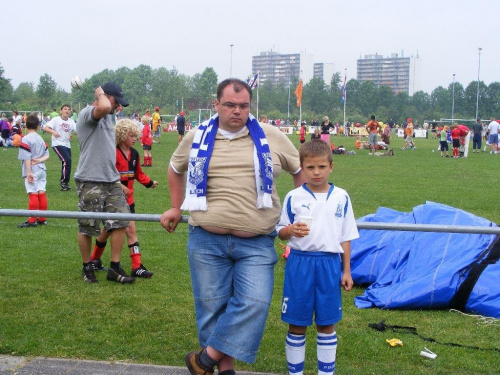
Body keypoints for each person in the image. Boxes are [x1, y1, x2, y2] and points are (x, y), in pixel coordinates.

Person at [160, 78, 306, 374]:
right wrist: (176, 207)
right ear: (217, 105)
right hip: (206, 239)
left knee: (254, 302)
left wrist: (297, 216)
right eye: (230, 105)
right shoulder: (197, 136)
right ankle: (225, 370)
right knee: (212, 308)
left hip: (257, 241)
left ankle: (203, 360)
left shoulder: (272, 136)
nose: (237, 111)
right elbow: (175, 169)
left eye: (243, 106)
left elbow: (300, 171)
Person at [276, 140, 359, 375]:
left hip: (329, 264)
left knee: (326, 322)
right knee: (297, 322)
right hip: (300, 263)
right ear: (302, 168)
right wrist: (290, 230)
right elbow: (281, 232)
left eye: (321, 167)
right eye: (310, 167)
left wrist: (347, 271)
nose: (316, 172)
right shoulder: (293, 196)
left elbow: (346, 236)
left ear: (331, 167)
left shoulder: (341, 197)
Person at [74, 82, 135, 284]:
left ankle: (114, 268)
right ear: (104, 96)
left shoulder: (109, 116)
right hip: (90, 178)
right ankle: (87, 266)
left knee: (120, 221)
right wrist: (100, 94)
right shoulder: (87, 114)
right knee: (87, 226)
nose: (118, 107)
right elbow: (105, 107)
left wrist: (117, 179)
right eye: (116, 101)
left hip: (111, 179)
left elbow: (108, 109)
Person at [90, 119, 158, 278]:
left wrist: (149, 183)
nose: (135, 139)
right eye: (131, 136)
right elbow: (106, 175)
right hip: (113, 200)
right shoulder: (112, 153)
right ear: (121, 136)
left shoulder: (134, 154)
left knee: (121, 230)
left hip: (129, 201)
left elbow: (138, 174)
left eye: (136, 136)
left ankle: (136, 266)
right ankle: (95, 259)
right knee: (110, 230)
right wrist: (120, 186)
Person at [17, 115, 50, 228]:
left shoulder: (26, 139)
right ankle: (42, 218)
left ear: (26, 126)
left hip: (33, 169)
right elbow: (47, 155)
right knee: (41, 192)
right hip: (42, 169)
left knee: (33, 193)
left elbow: (27, 157)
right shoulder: (41, 139)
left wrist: (29, 172)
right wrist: (39, 160)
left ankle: (32, 220)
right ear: (38, 126)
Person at [43, 104, 77, 191]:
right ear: (61, 111)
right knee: (67, 160)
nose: (67, 111)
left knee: (67, 162)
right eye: (65, 109)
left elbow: (76, 131)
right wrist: (53, 132)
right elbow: (45, 128)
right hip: (57, 143)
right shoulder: (56, 120)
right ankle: (64, 183)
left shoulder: (71, 121)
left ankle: (65, 183)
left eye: (69, 109)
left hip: (67, 144)